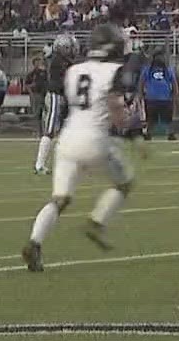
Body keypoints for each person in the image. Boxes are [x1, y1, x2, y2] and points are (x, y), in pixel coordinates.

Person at [22, 24, 139, 272]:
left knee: (60, 199)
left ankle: (35, 242)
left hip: (67, 140)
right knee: (124, 183)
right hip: (95, 139)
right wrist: (130, 128)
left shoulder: (74, 70)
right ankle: (97, 221)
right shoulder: (115, 70)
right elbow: (116, 107)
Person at [35, 34, 79, 172]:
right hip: (56, 95)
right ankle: (39, 164)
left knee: (64, 131)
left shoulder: (62, 61)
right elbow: (64, 82)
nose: (72, 50)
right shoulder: (58, 61)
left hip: (61, 97)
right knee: (50, 130)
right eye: (69, 48)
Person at [140, 53, 175, 141]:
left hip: (165, 98)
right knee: (151, 118)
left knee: (167, 118)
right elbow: (141, 82)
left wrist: (175, 95)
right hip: (151, 98)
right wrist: (141, 94)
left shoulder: (168, 70)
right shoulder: (147, 69)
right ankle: (148, 133)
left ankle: (170, 134)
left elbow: (174, 83)